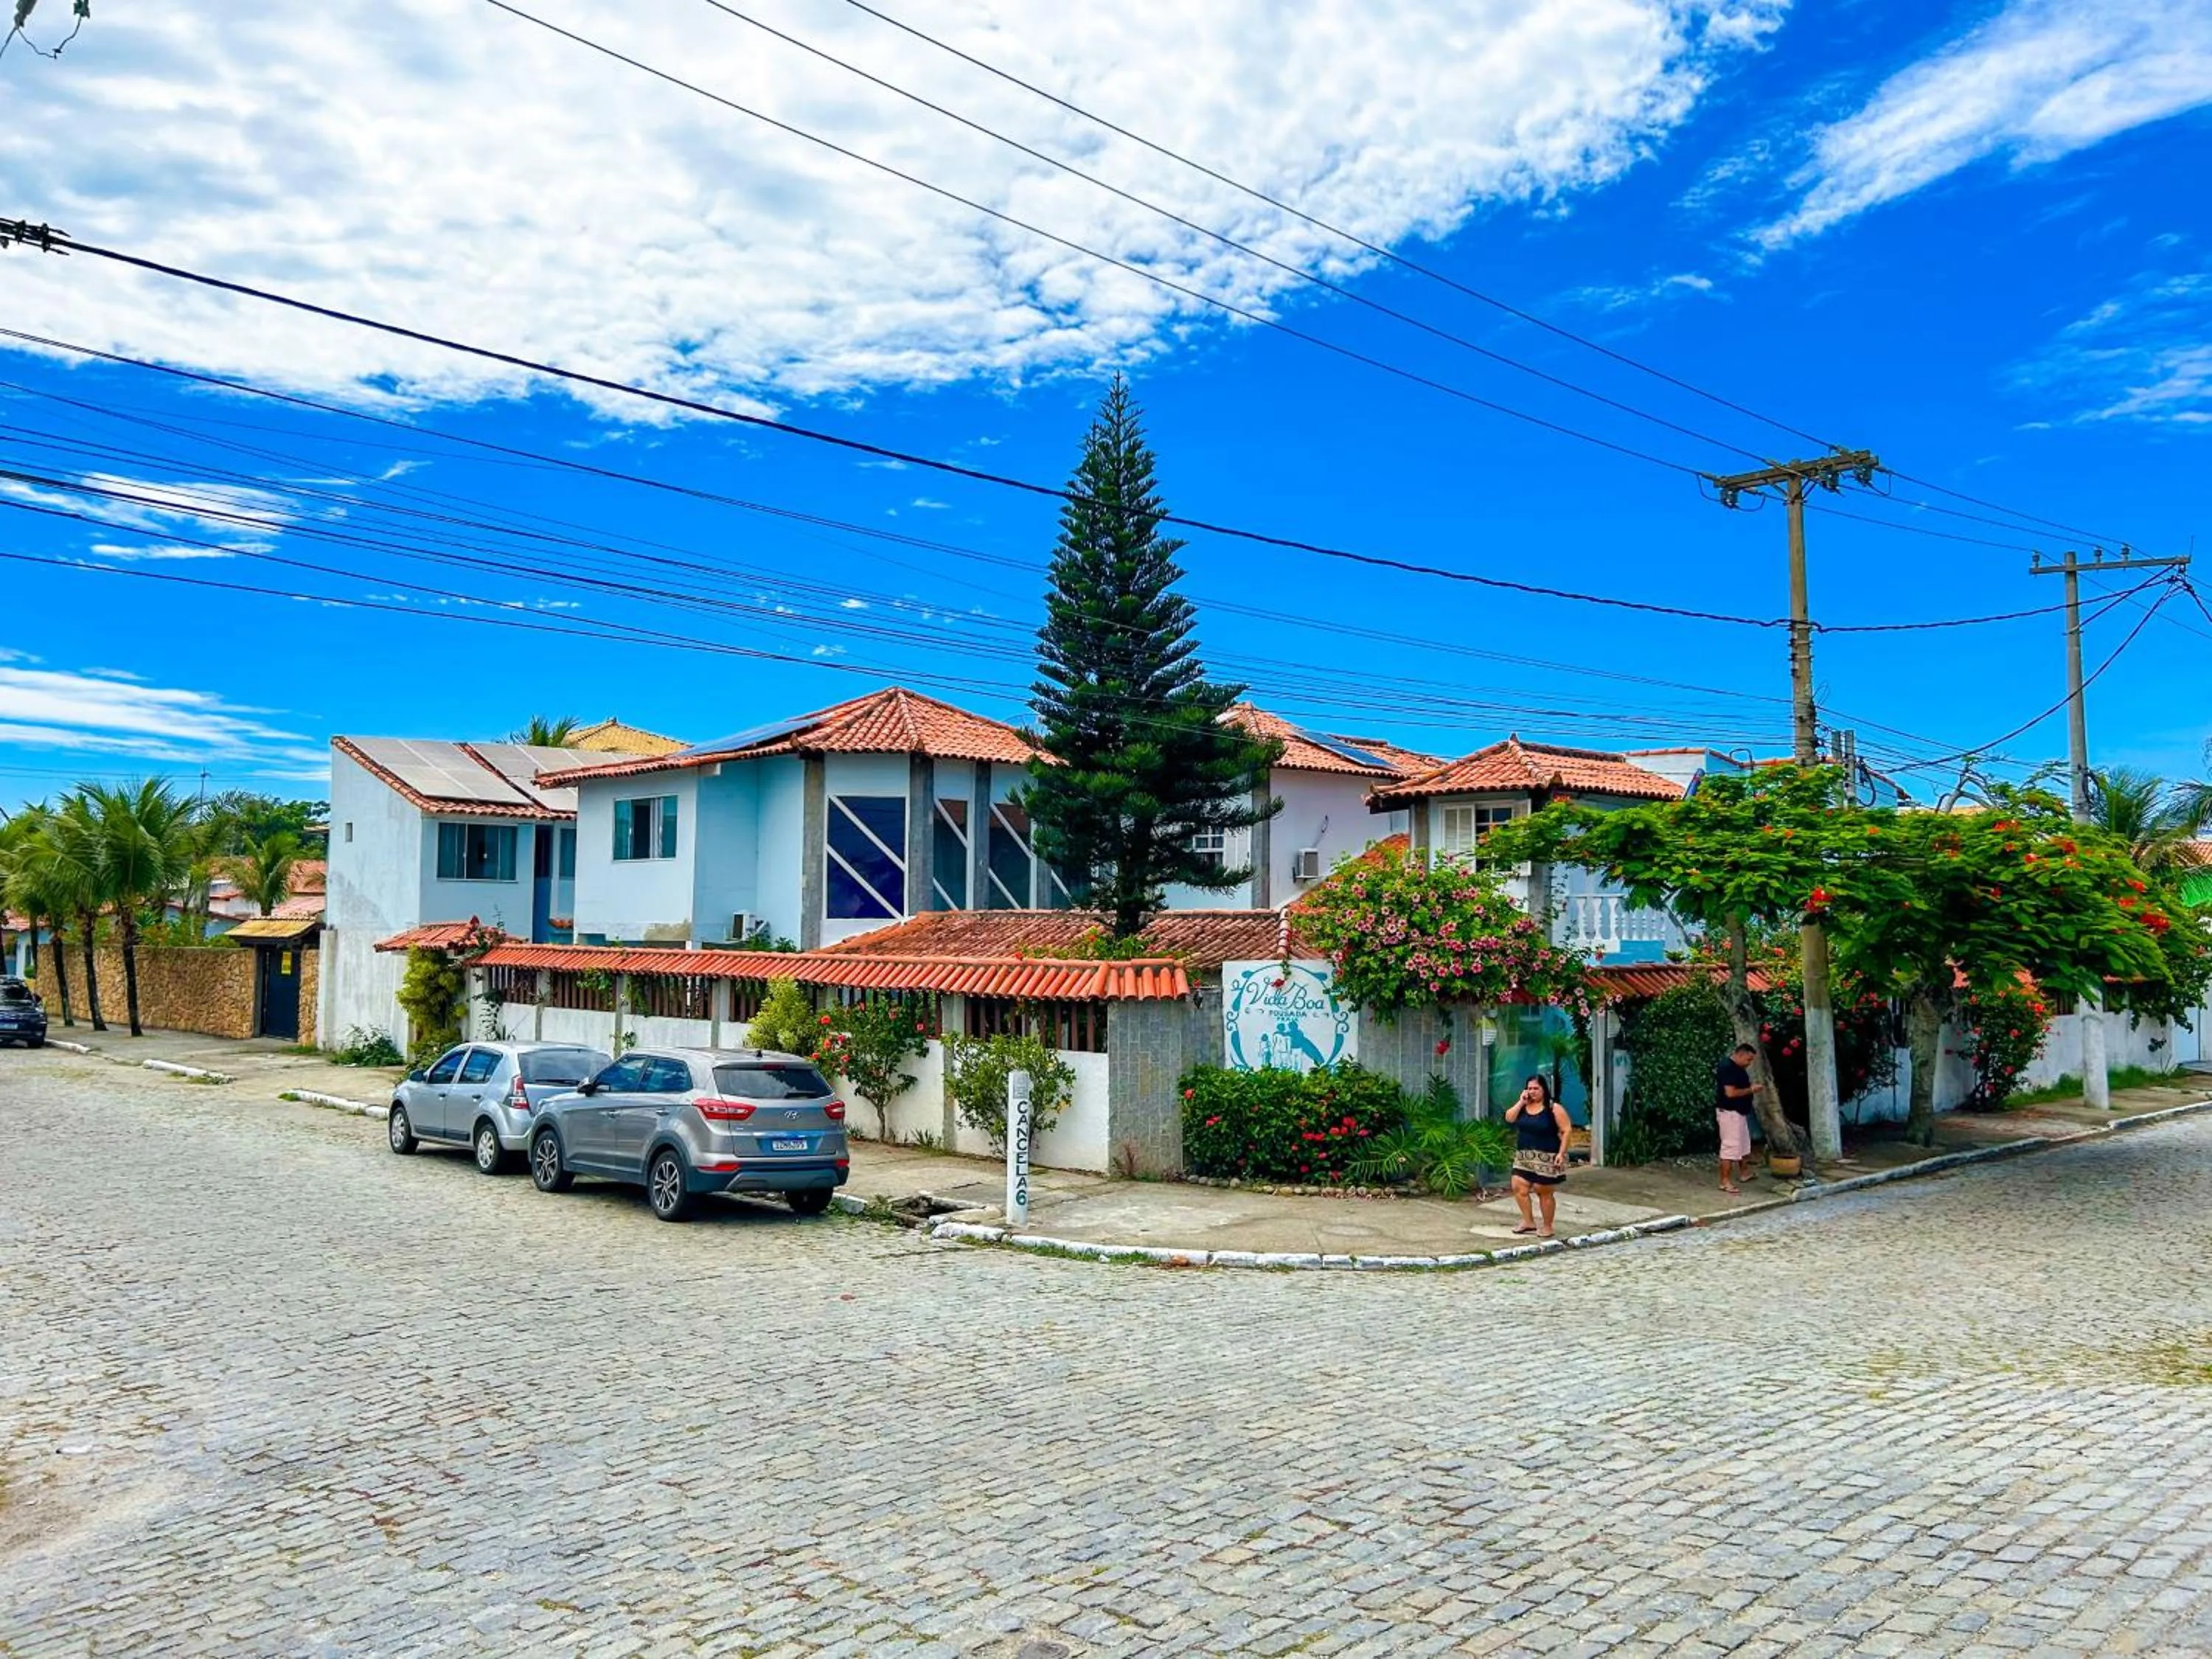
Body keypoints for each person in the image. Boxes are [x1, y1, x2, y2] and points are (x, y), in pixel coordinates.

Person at [1506, 1074, 1573, 1239]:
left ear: (1543, 1089)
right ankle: (1528, 1221)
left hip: (1547, 1155)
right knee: (1518, 1186)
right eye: (1529, 1088)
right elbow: (1509, 1118)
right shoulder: (1524, 1106)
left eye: (1536, 1088)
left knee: (1543, 1190)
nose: (1532, 1092)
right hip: (1524, 1156)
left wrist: (1561, 1153)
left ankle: (1548, 1226)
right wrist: (1521, 1101)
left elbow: (1566, 1130)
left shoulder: (1553, 1108)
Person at [1714, 1040, 1758, 1194]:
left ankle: (1744, 1172)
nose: (1749, 1063)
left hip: (1739, 1112)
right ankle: (1724, 1181)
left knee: (1743, 1145)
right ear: (1740, 1055)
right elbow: (1731, 1093)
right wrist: (1751, 1090)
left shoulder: (1737, 1068)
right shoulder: (1727, 1068)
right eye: (1749, 1059)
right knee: (1730, 1148)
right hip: (1729, 1113)